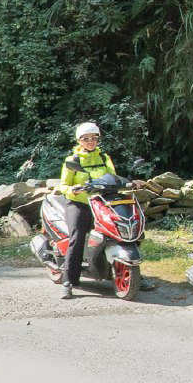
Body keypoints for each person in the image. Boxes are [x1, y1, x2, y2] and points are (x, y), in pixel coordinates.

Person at [56, 122, 145, 299]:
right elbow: (63, 185)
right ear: (79, 140)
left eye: (94, 138)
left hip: (103, 202)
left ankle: (134, 272)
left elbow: (112, 177)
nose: (90, 142)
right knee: (77, 237)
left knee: (126, 229)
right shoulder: (72, 160)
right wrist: (73, 189)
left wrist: (128, 182)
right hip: (79, 204)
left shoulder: (104, 157)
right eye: (86, 139)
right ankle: (68, 281)